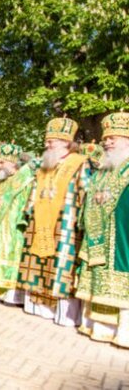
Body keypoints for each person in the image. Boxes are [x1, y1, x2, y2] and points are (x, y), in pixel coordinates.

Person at [18, 117, 90, 326]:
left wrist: (82, 221)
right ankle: (39, 307)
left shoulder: (79, 163)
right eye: (47, 140)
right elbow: (34, 191)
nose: (47, 144)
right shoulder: (45, 165)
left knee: (60, 266)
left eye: (52, 141)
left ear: (67, 142)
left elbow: (85, 191)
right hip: (39, 223)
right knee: (38, 265)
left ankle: (63, 314)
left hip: (65, 224)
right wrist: (28, 214)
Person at [75, 112, 129, 347]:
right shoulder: (103, 169)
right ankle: (99, 327)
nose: (106, 142)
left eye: (113, 138)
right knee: (98, 278)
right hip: (99, 236)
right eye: (105, 138)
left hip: (121, 234)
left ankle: (124, 332)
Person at [0, 144, 35, 304]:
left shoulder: (25, 180)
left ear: (14, 163)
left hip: (13, 228)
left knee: (8, 253)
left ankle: (11, 294)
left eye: (1, 163)